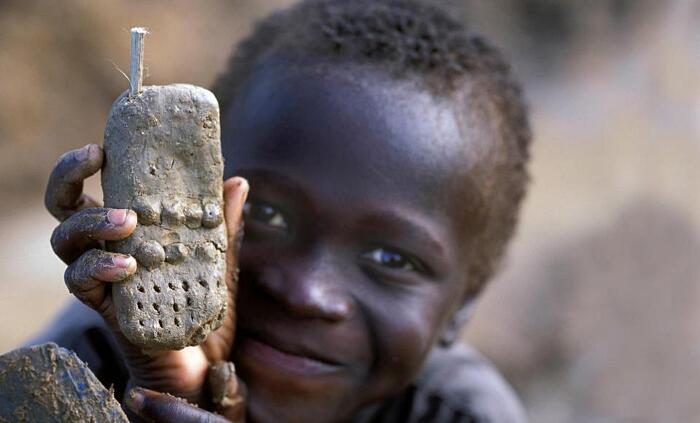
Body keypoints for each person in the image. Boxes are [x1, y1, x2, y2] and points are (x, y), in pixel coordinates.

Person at [36, 0, 531, 421]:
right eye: (268, 216)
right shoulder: (69, 372)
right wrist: (173, 386)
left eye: (391, 259)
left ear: (462, 305)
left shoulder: (461, 413)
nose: (306, 292)